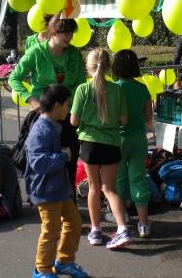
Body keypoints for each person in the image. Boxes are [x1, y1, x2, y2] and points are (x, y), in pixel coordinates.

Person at [9, 15, 86, 185]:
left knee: (69, 156)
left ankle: (69, 197)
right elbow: (14, 78)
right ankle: (42, 196)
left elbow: (81, 84)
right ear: (53, 32)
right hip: (43, 116)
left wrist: (67, 101)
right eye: (64, 33)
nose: (69, 37)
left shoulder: (74, 54)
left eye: (71, 33)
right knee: (43, 157)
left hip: (67, 114)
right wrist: (31, 100)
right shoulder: (36, 52)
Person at [25, 84, 89, 278]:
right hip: (46, 190)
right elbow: (38, 163)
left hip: (59, 188)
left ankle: (64, 261)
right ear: (56, 106)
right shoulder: (41, 131)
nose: (69, 108)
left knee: (73, 222)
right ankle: (42, 269)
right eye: (67, 104)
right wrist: (62, 156)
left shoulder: (52, 126)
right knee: (50, 231)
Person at [70, 48, 130, 250]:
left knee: (94, 188)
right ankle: (122, 228)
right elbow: (123, 119)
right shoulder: (117, 89)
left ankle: (95, 230)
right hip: (111, 141)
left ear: (88, 67)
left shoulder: (82, 90)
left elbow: (73, 120)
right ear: (108, 67)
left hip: (89, 143)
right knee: (109, 188)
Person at [111, 49, 153, 238]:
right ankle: (144, 224)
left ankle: (123, 219)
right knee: (138, 178)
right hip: (139, 139)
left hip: (118, 140)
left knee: (118, 179)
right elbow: (148, 116)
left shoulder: (114, 88)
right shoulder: (143, 88)